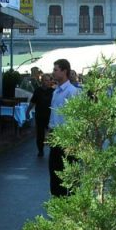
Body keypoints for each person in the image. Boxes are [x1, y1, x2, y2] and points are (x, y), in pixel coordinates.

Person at [48, 58, 80, 196]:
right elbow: (53, 113)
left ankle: (73, 203)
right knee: (55, 170)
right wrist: (50, 130)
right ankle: (58, 202)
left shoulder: (72, 92)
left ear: (64, 71)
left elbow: (77, 116)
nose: (53, 73)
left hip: (68, 136)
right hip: (55, 135)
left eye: (55, 70)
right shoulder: (55, 92)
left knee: (70, 170)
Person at [28, 74, 54, 157]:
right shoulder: (37, 90)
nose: (47, 82)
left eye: (48, 80)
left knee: (52, 134)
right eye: (45, 80)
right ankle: (40, 150)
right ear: (41, 81)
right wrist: (27, 111)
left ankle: (53, 151)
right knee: (40, 134)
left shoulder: (53, 91)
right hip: (40, 116)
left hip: (50, 116)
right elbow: (33, 102)